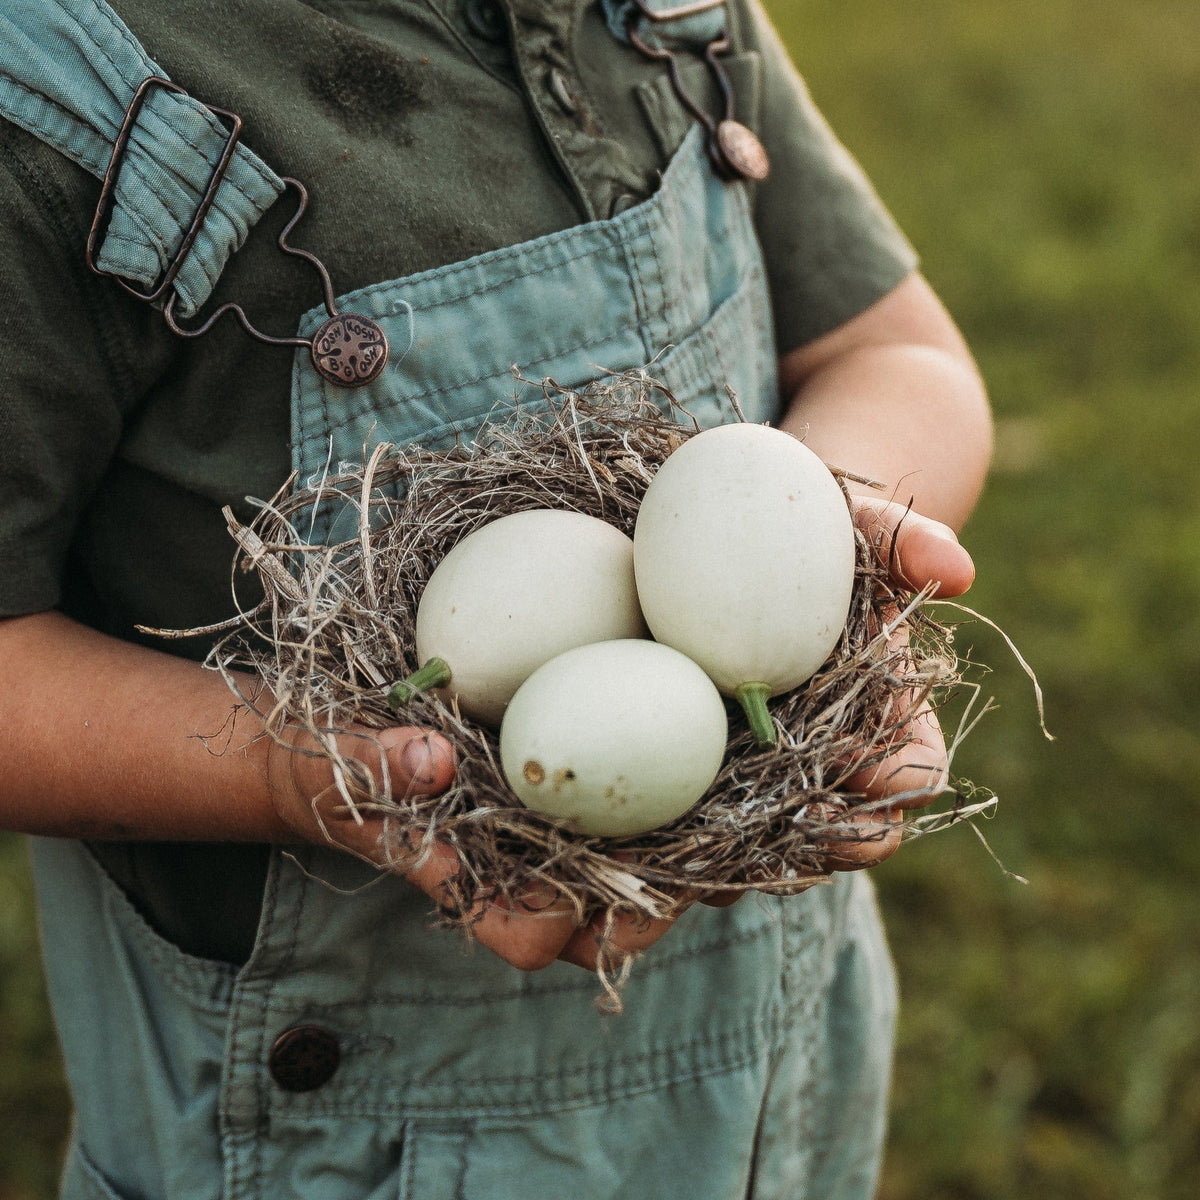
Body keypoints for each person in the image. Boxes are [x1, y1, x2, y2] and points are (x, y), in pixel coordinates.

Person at [0, 0, 991, 1197]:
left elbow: (891, 351)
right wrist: (301, 767)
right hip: (353, 1138)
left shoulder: (663, 18)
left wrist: (822, 531)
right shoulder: (54, 101)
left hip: (774, 1084)